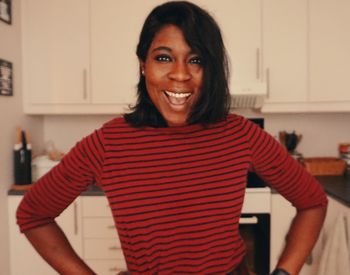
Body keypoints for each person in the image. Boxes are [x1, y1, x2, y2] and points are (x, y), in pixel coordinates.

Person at [16, 1, 327, 274]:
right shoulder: (108, 143)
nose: (180, 75)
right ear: (143, 65)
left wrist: (285, 272)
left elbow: (312, 202)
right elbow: (33, 214)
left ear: (212, 70)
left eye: (196, 60)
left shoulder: (240, 134)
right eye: (164, 58)